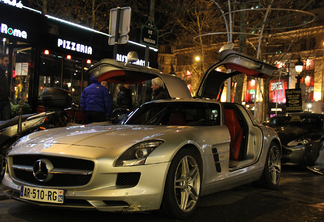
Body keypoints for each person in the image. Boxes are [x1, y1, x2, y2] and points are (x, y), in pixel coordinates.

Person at [0, 53, 11, 120]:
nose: (7, 63)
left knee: (6, 121)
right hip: (1, 99)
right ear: (0, 60)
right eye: (5, 61)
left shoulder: (4, 71)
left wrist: (7, 96)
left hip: (4, 99)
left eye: (8, 61)